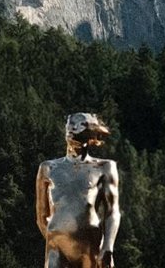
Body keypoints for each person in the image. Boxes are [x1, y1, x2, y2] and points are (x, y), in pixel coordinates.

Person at [35, 112, 120, 268]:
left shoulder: (104, 168)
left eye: (81, 124)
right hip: (57, 245)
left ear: (91, 133)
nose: (73, 127)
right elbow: (42, 215)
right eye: (70, 123)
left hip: (89, 244)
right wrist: (57, 236)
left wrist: (108, 247)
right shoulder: (48, 168)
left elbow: (112, 212)